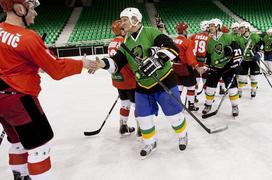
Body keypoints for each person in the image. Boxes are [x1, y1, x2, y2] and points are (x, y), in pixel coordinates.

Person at [0, 0, 94, 179]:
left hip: (2, 98)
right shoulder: (28, 37)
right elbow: (57, 70)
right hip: (19, 97)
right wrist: (81, 63)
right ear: (20, 9)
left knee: (18, 142)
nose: (35, 13)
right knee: (39, 147)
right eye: (32, 9)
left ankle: (21, 176)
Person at [90, 7, 188, 159]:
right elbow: (117, 63)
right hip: (142, 85)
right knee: (142, 117)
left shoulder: (151, 32)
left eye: (124, 20)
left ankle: (182, 135)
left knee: (174, 114)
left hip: (164, 80)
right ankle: (150, 142)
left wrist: (156, 61)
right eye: (121, 20)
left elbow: (172, 48)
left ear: (135, 20)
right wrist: (102, 64)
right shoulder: (126, 41)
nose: (121, 23)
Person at [203, 18, 242, 117]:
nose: (210, 28)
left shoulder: (227, 37)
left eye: (212, 26)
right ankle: (208, 105)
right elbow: (208, 55)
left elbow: (237, 50)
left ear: (218, 26)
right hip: (214, 67)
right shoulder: (209, 40)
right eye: (210, 26)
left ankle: (235, 106)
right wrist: (207, 65)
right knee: (209, 89)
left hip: (227, 67)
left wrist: (236, 63)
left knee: (232, 89)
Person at [108, 20, 136, 136]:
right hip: (130, 79)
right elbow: (131, 62)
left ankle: (123, 126)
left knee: (125, 103)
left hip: (118, 79)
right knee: (138, 104)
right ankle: (142, 129)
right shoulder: (125, 42)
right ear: (122, 30)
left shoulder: (111, 43)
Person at [173, 22, 205, 111]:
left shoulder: (173, 40)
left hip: (175, 67)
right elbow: (190, 58)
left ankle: (176, 106)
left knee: (179, 86)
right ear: (184, 31)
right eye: (186, 29)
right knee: (191, 87)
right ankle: (191, 105)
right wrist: (197, 67)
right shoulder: (188, 42)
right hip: (185, 67)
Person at [237, 22, 262, 98]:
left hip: (253, 60)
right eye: (240, 28)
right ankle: (240, 90)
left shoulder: (254, 36)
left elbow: (261, 46)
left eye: (242, 28)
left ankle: (253, 90)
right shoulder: (239, 38)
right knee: (241, 77)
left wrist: (258, 54)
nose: (241, 30)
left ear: (247, 28)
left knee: (254, 77)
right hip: (244, 60)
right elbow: (237, 49)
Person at [190, 20, 211, 101]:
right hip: (204, 62)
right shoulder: (210, 38)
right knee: (206, 81)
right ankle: (208, 99)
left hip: (195, 62)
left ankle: (193, 97)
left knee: (195, 81)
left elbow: (190, 49)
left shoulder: (193, 36)